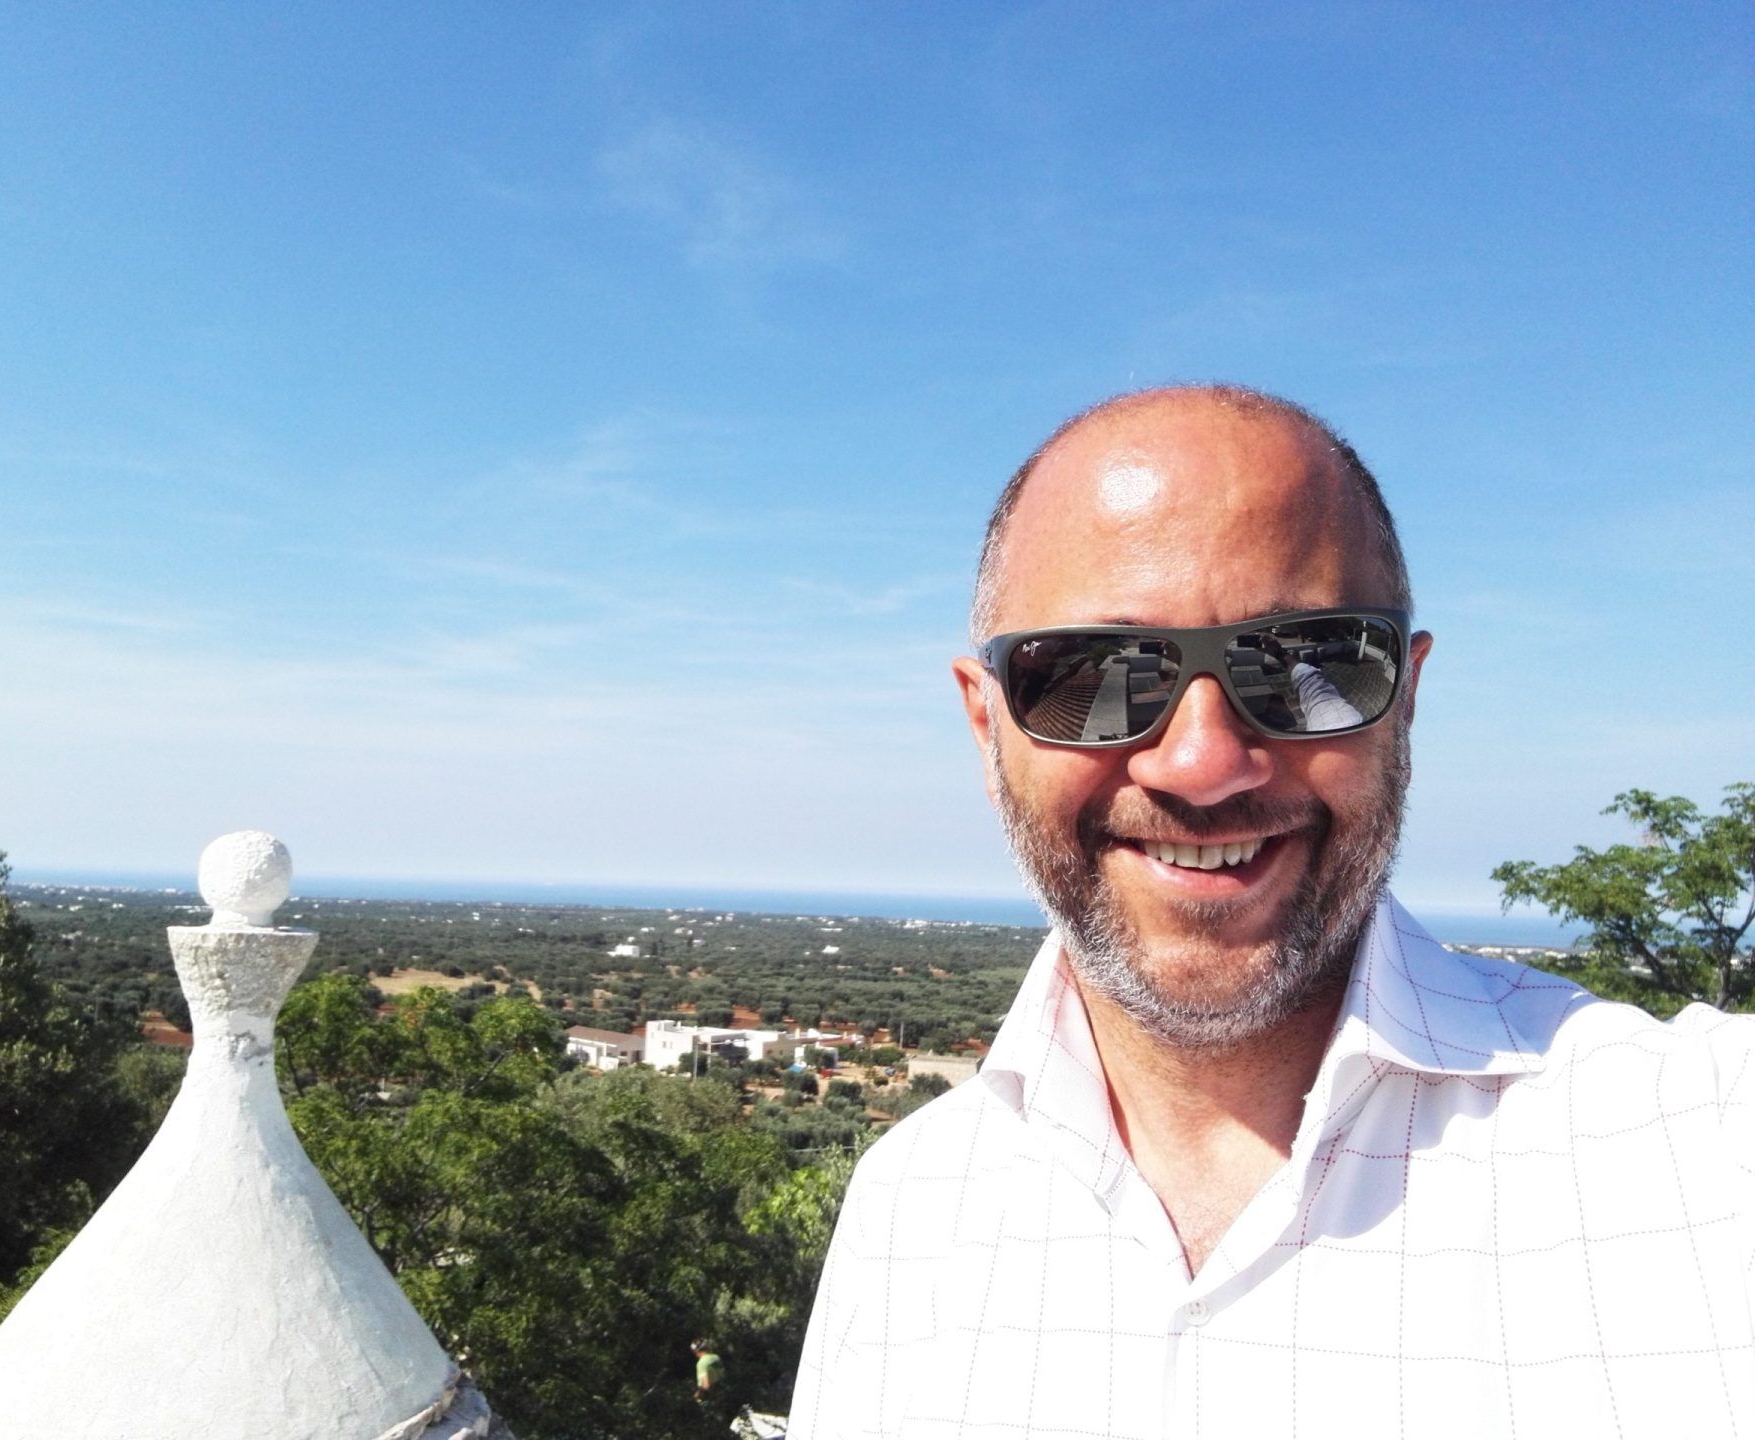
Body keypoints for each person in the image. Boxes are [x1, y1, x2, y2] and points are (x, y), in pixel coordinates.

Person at [787, 386, 1754, 1438]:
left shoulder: (1698, 1153)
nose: (1203, 764)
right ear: (987, 726)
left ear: (1405, 696)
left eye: (1309, 664)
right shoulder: (910, 1211)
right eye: (1094, 674)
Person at [692, 1337, 725, 1402]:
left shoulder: (701, 1363)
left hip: (712, 1398)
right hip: (724, 1392)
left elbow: (706, 1386)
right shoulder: (716, 1357)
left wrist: (696, 1397)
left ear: (696, 1351)